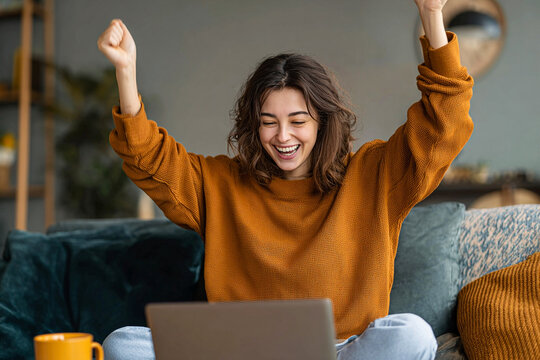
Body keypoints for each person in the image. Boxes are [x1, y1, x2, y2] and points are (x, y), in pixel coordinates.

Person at [96, 0, 473, 358]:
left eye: (297, 121)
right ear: (254, 126)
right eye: (268, 122)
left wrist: (430, 14)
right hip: (239, 353)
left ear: (323, 122)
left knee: (412, 334)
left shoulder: (374, 175)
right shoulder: (221, 183)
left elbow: (443, 124)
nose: (283, 136)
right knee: (123, 344)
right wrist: (126, 73)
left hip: (340, 352)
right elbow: (149, 159)